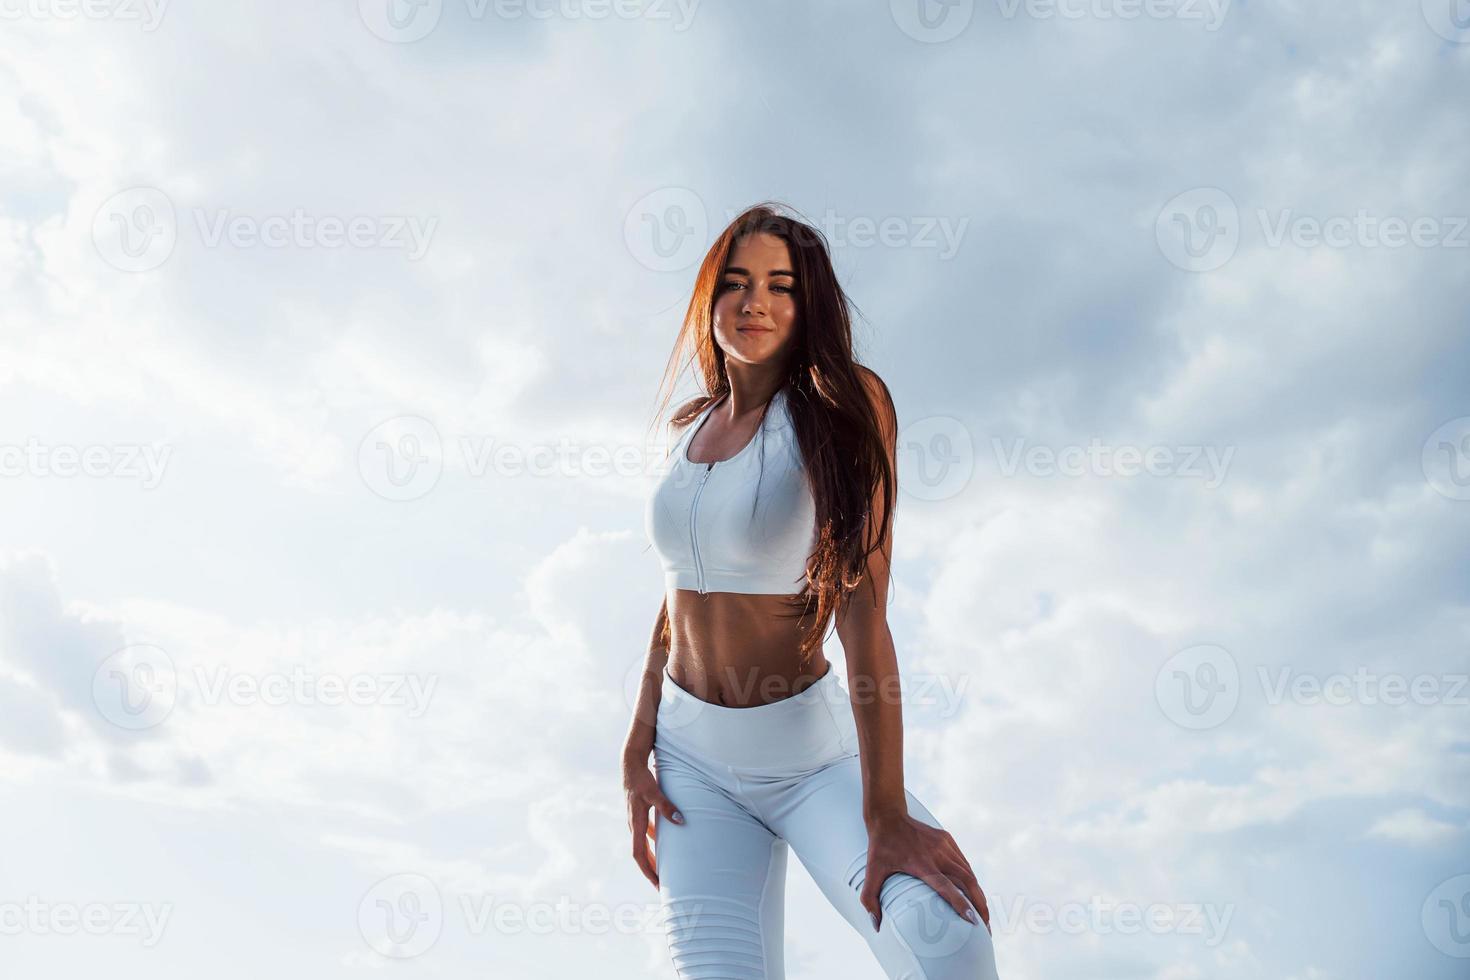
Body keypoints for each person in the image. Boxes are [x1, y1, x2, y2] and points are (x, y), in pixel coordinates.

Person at [623, 202, 1000, 979]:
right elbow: (678, 600)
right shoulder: (689, 430)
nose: (754, 302)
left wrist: (887, 814)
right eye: (734, 282)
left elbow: (865, 617)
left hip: (805, 757)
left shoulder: (844, 406)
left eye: (779, 286)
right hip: (690, 762)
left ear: (808, 305)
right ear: (708, 297)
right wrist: (637, 744)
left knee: (947, 941)